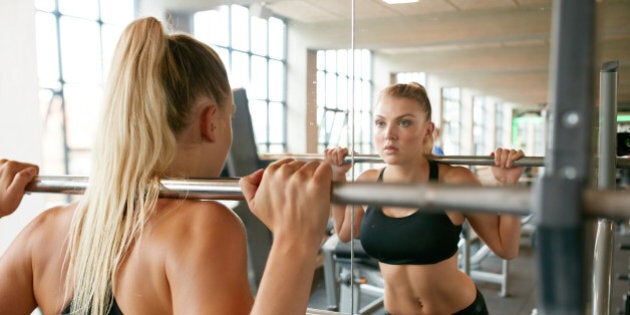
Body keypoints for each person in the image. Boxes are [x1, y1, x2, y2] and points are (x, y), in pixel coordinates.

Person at [0, 17, 333, 315]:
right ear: (211, 122)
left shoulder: (43, 231)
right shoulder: (203, 227)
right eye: (230, 116)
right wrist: (295, 240)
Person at [324, 82, 524, 315]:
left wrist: (509, 185)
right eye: (380, 123)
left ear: (428, 130)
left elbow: (505, 249)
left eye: (404, 122)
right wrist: (338, 178)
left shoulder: (454, 181)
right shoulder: (367, 182)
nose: (389, 134)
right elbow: (345, 233)